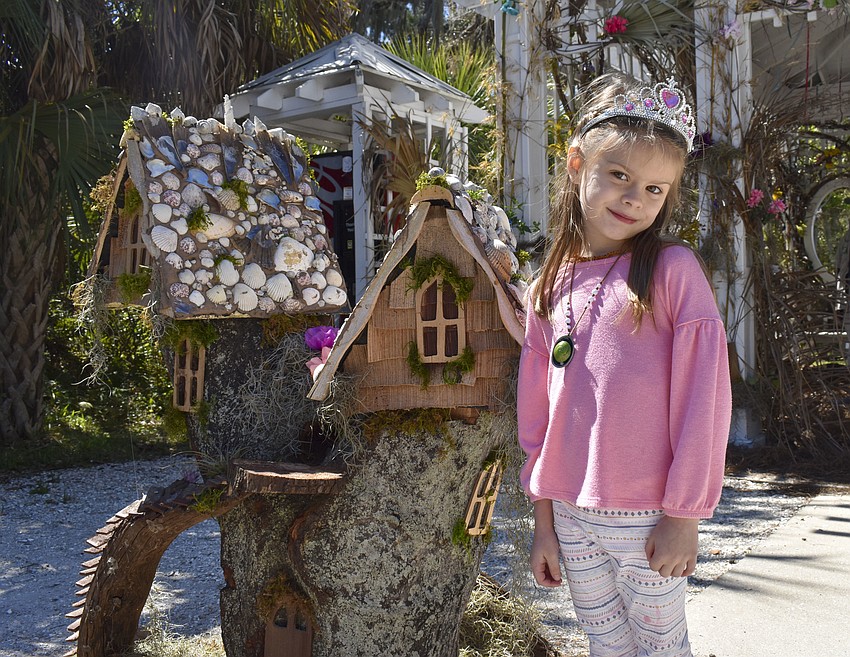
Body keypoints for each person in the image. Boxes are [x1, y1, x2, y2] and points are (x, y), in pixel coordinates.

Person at [517, 72, 732, 657]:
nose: (635, 198)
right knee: (604, 644)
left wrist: (685, 515)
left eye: (656, 189)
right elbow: (536, 416)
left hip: (646, 516)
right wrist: (544, 523)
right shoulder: (548, 284)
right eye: (620, 176)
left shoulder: (672, 270)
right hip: (570, 514)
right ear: (576, 163)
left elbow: (703, 400)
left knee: (660, 646)